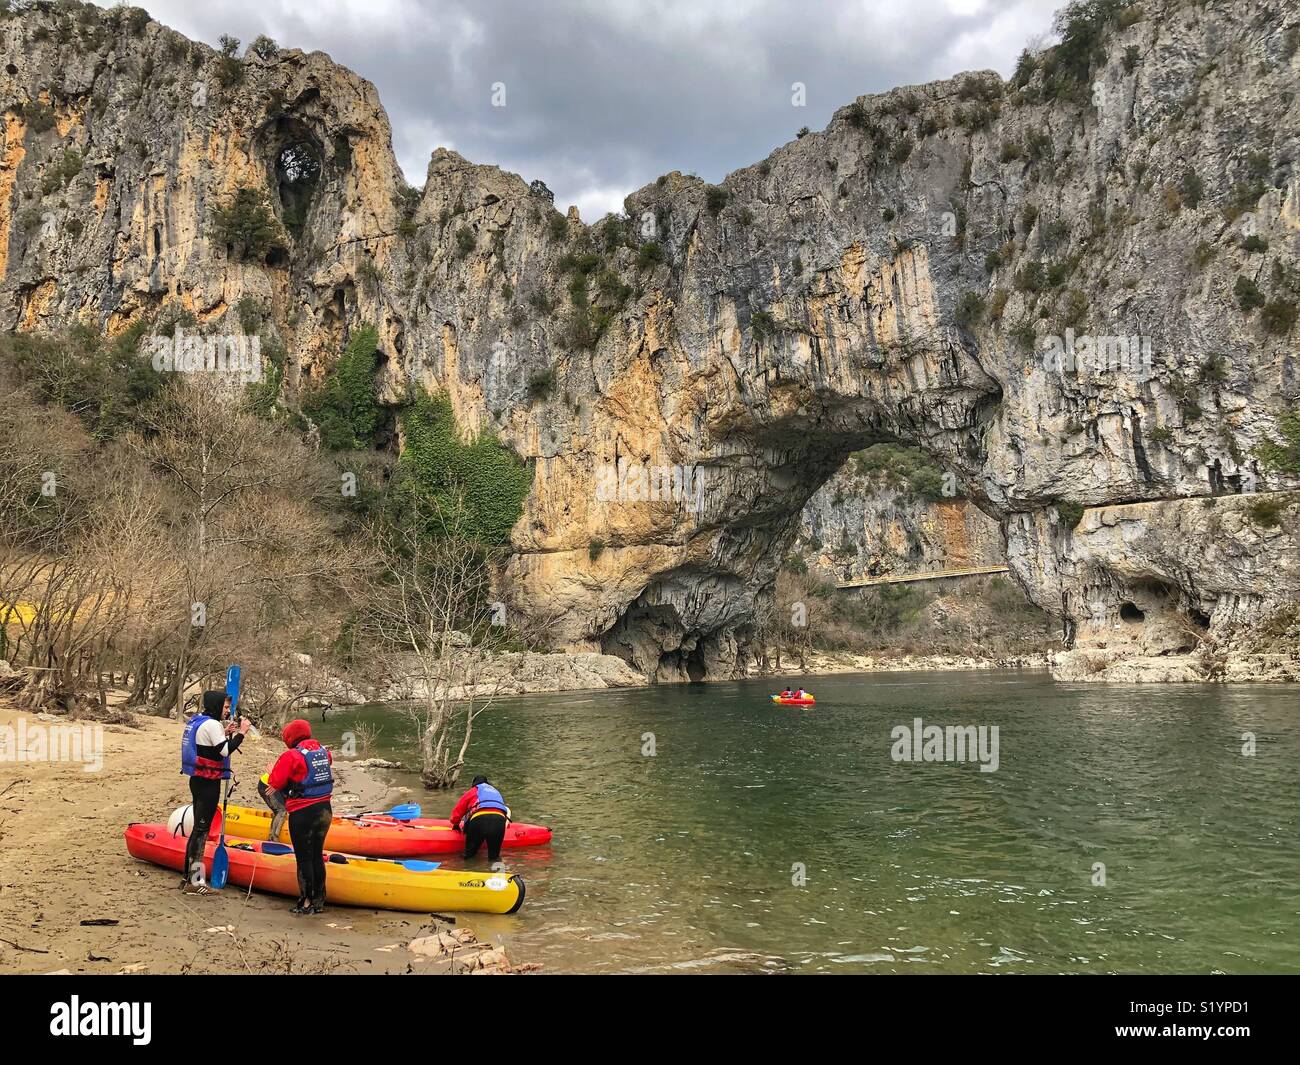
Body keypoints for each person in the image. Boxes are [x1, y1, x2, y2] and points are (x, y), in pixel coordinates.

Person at [179, 690, 250, 894]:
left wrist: (226, 733)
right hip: (208, 784)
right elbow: (225, 751)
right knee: (202, 831)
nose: (227, 710)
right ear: (217, 705)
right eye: (226, 707)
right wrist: (242, 733)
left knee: (198, 830)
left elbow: (209, 746)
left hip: (197, 780)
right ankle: (196, 881)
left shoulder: (200, 721)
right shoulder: (212, 724)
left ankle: (188, 876)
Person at [266, 718, 334, 914]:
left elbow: (274, 782)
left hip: (302, 813)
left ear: (290, 737)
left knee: (304, 858)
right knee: (316, 855)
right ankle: (319, 900)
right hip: (324, 810)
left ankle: (306, 902)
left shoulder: (291, 756)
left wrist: (272, 772)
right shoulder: (324, 752)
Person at [448, 775, 511, 864]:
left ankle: (467, 871)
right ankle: (495, 875)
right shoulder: (496, 791)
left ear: (474, 783)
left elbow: (459, 809)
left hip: (479, 820)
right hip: (499, 821)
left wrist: (455, 824)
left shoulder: (474, 790)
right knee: (494, 857)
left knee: (469, 855)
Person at [258, 766, 288, 842]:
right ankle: (273, 838)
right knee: (281, 810)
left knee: (283, 808)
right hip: (268, 785)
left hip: (278, 783)